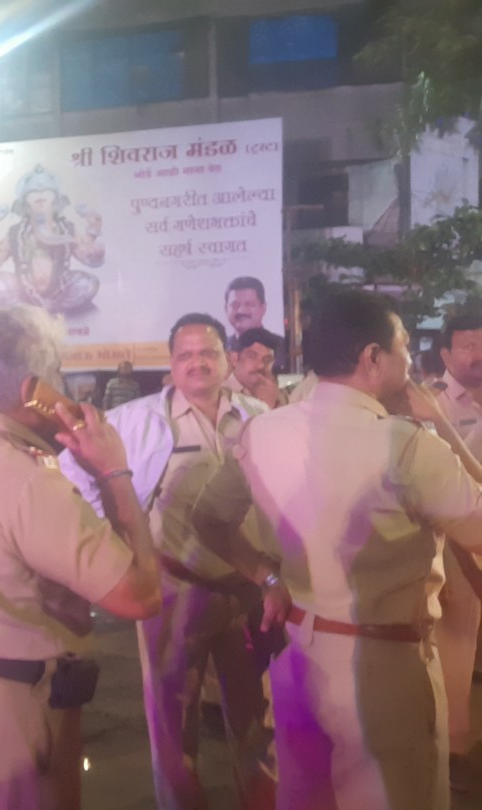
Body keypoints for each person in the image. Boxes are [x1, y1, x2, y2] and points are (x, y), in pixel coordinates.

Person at [193, 289, 482, 810]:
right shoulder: (405, 444)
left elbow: (209, 519)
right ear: (373, 357)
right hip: (385, 669)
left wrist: (267, 577)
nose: (410, 362)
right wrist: (440, 422)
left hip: (297, 659)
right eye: (403, 348)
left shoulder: (263, 431)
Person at [0, 306, 161, 808]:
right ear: (34, 391)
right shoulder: (28, 482)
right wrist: (113, 472)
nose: (65, 387)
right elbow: (141, 595)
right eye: (57, 373)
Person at [60, 313, 275, 810]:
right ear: (171, 364)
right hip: (175, 591)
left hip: (246, 592)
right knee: (173, 723)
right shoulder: (136, 420)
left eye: (208, 353)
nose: (198, 363)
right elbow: (75, 469)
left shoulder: (257, 415)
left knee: (256, 720)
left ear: (227, 360)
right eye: (186, 355)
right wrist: (117, 539)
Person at [428, 311, 482, 791]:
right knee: (455, 649)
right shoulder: (432, 404)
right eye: (468, 346)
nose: (478, 354)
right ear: (445, 353)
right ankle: (455, 747)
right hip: (458, 549)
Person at [0, 164, 104, 314]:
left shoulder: (67, 229)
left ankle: (49, 308)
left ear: (56, 200)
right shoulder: (15, 232)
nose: (40, 197)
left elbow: (90, 259)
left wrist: (93, 233)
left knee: (89, 283)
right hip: (23, 292)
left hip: (60, 291)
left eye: (46, 192)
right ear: (24, 203)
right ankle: (28, 308)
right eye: (33, 193)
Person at [224, 277, 286, 368]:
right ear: (226, 309)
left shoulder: (283, 347)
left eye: (249, 304)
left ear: (263, 308)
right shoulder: (220, 348)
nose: (241, 310)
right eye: (235, 305)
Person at [226, 327, 288, 408]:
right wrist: (267, 406)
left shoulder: (279, 396)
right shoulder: (220, 395)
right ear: (234, 358)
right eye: (252, 356)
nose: (261, 365)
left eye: (267, 360)